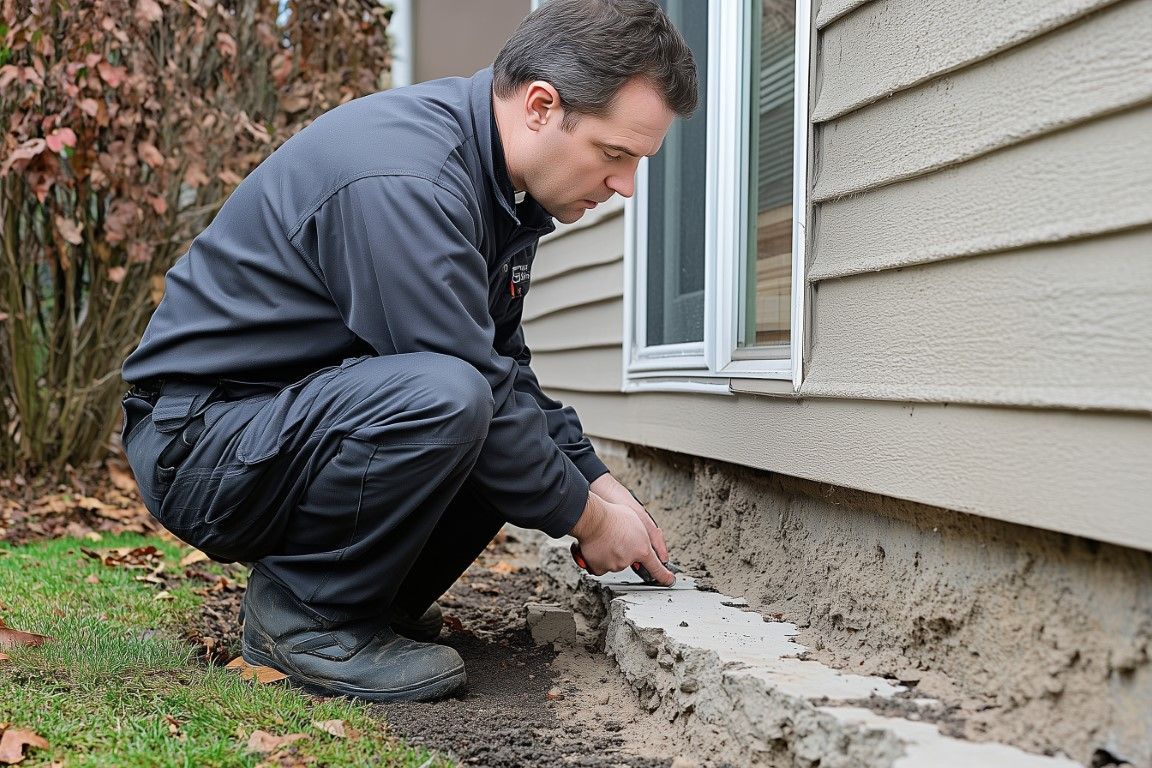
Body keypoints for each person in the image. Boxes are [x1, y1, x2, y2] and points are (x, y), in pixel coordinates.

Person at [120, 0, 697, 702]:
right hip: (202, 440)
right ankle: (304, 619)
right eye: (615, 154)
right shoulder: (408, 179)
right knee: (451, 399)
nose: (627, 187)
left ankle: (367, 609)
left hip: (275, 424)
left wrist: (596, 481)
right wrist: (588, 519)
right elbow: (468, 383)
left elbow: (502, 365)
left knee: (482, 406)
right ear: (541, 106)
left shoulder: (497, 190)